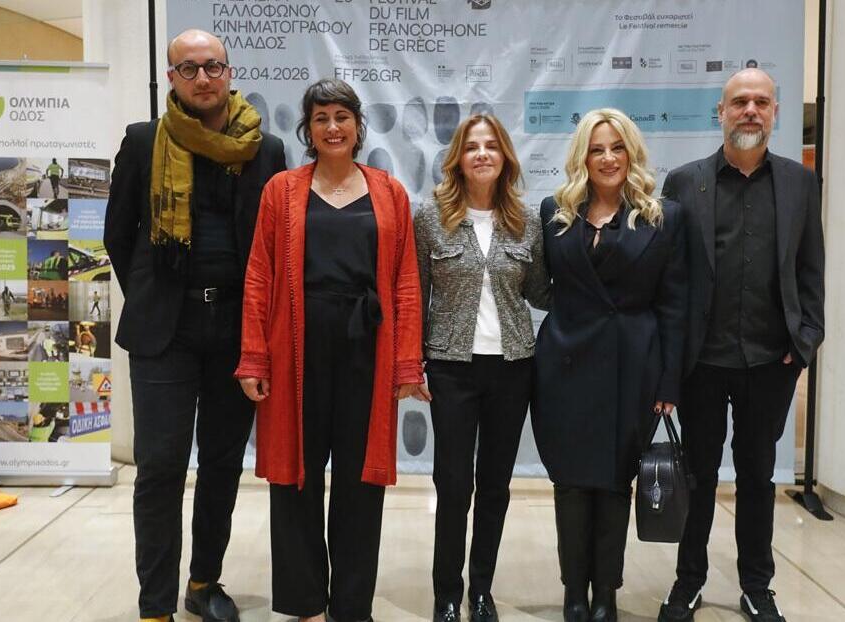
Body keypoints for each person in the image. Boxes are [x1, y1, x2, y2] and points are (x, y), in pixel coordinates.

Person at [102, 28, 286, 622]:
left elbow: (273, 243)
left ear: (229, 72)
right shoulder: (142, 142)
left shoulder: (265, 149)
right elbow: (117, 234)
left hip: (237, 330)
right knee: (160, 467)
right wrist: (155, 296)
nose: (202, 78)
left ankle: (203, 582)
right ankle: (155, 605)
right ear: (171, 77)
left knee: (223, 464)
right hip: (166, 332)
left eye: (212, 66)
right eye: (189, 68)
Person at [236, 77, 424, 622]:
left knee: (360, 482)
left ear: (358, 126)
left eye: (342, 117)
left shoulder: (389, 192)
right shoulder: (282, 191)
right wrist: (253, 357)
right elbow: (259, 275)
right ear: (308, 129)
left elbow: (406, 282)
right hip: (296, 348)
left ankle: (351, 607)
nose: (332, 127)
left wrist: (407, 364)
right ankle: (306, 606)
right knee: (295, 476)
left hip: (368, 349)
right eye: (321, 118)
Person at [656, 68, 824, 622]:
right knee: (698, 476)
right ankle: (688, 581)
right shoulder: (685, 183)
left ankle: (757, 584)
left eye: (761, 102)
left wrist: (805, 341)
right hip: (701, 363)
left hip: (770, 362)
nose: (750, 110)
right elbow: (669, 277)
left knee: (757, 477)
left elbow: (811, 268)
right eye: (739, 102)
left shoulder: (799, 183)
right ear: (721, 113)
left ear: (775, 113)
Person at [532, 108, 686, 622]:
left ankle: (606, 596)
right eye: (596, 149)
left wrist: (669, 381)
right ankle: (574, 593)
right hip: (564, 367)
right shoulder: (554, 211)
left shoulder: (664, 216)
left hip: (631, 367)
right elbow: (542, 287)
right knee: (570, 481)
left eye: (617, 147)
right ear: (583, 157)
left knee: (617, 481)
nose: (607, 158)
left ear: (631, 153)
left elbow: (674, 305)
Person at [414, 114, 549, 622]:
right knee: (453, 485)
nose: (482, 154)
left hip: (512, 367)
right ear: (458, 159)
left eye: (492, 146)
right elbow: (415, 294)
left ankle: (482, 590)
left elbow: (541, 291)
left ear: (505, 157)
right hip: (451, 367)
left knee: (495, 485)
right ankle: (447, 592)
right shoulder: (430, 217)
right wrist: (411, 363)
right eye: (472, 146)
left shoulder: (527, 220)